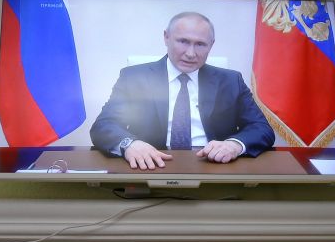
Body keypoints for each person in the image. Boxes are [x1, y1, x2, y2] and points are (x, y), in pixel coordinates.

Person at [89, 12, 275, 170]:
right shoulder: (134, 78)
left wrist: (234, 145)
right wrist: (130, 144)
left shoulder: (231, 80)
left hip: (215, 167)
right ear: (166, 37)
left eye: (200, 44)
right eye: (183, 41)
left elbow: (261, 128)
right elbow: (103, 126)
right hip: (150, 166)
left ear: (211, 44)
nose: (191, 53)